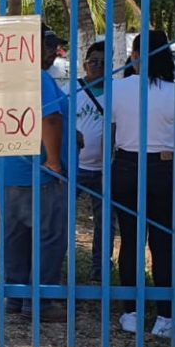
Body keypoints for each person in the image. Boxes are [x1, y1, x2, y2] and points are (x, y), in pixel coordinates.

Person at [112, 29, 175, 338]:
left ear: (135, 56)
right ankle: (165, 317)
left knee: (130, 241)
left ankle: (131, 313)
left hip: (126, 166)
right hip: (163, 167)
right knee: (163, 243)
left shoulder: (118, 87)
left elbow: (112, 124)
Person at [0, 28, 69, 322]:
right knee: (49, 238)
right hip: (39, 171)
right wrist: (54, 161)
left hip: (8, 168)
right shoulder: (37, 78)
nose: (50, 50)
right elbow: (49, 119)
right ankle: (41, 302)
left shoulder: (1, 78)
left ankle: (16, 296)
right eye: (45, 44)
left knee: (15, 237)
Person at [72, 40, 111, 282]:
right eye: (93, 61)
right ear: (85, 64)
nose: (98, 66)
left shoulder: (117, 92)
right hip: (74, 167)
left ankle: (100, 269)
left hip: (105, 169)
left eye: (104, 63)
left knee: (105, 223)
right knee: (62, 218)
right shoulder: (70, 90)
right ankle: (58, 266)